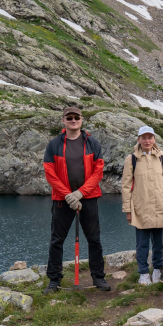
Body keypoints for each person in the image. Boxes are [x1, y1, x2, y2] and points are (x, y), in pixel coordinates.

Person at [42, 106, 111, 293]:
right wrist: (68, 195)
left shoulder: (92, 143)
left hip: (88, 198)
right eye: (69, 117)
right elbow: (50, 173)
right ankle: (54, 280)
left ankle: (98, 277)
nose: (73, 120)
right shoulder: (54, 144)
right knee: (57, 240)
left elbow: (98, 172)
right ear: (63, 120)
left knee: (94, 239)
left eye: (76, 117)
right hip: (62, 199)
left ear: (82, 119)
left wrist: (80, 193)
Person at [120, 125, 163, 286]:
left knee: (158, 242)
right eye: (143, 137)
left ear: (154, 139)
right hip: (141, 206)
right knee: (142, 243)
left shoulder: (161, 157)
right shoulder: (131, 159)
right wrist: (128, 210)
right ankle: (143, 273)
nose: (147, 140)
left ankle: (157, 269)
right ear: (138, 139)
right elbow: (126, 186)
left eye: (149, 137)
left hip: (160, 205)